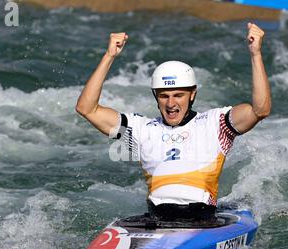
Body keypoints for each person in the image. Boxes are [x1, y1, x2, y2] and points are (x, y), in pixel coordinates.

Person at [76, 23, 271, 222]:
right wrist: (109, 56)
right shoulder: (141, 129)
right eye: (164, 96)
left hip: (202, 221)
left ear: (192, 94)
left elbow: (260, 109)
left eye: (178, 95)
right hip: (157, 221)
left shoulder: (216, 123)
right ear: (155, 96)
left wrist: (256, 54)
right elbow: (87, 109)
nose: (171, 103)